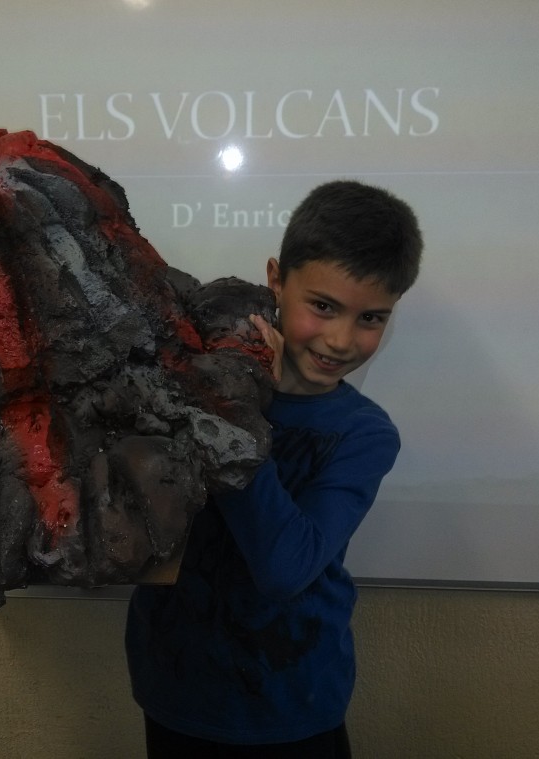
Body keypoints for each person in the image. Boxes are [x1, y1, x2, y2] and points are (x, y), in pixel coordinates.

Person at [124, 180, 423, 758]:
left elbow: (285, 569)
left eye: (371, 317)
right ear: (276, 280)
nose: (341, 340)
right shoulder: (190, 381)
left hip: (292, 701)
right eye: (323, 306)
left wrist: (233, 414)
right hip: (175, 684)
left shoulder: (364, 434)